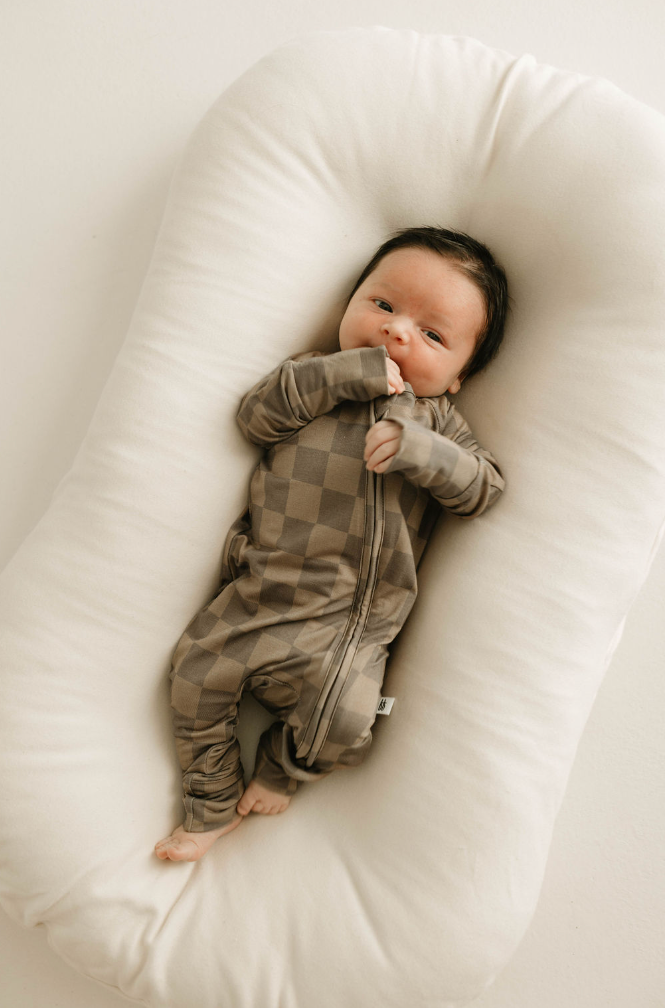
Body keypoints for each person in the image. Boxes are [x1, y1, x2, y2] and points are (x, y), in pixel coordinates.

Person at [155, 226, 508, 862]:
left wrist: (423, 453)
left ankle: (278, 769)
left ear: (459, 377)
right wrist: (347, 373)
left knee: (348, 724)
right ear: (350, 303)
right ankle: (209, 800)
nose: (399, 333)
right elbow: (257, 416)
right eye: (383, 306)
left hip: (348, 627)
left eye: (432, 335)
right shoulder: (313, 384)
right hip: (261, 594)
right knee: (192, 675)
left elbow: (482, 488)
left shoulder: (438, 423)